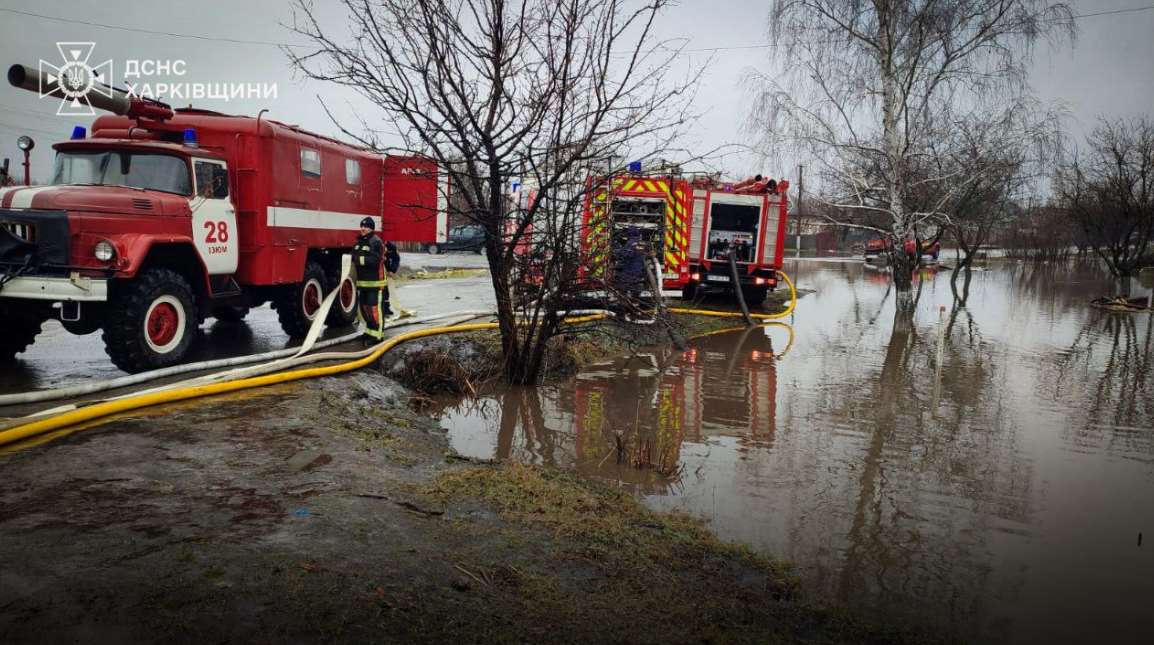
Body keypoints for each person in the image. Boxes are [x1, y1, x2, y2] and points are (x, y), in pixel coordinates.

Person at [352, 217, 387, 341]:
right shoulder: (359, 242)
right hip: (363, 283)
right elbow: (353, 256)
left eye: (365, 226)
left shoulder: (376, 241)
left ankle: (378, 336)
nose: (362, 228)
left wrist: (358, 260)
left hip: (375, 283)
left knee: (374, 310)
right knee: (364, 309)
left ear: (371, 228)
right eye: (361, 226)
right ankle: (369, 331)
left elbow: (375, 260)